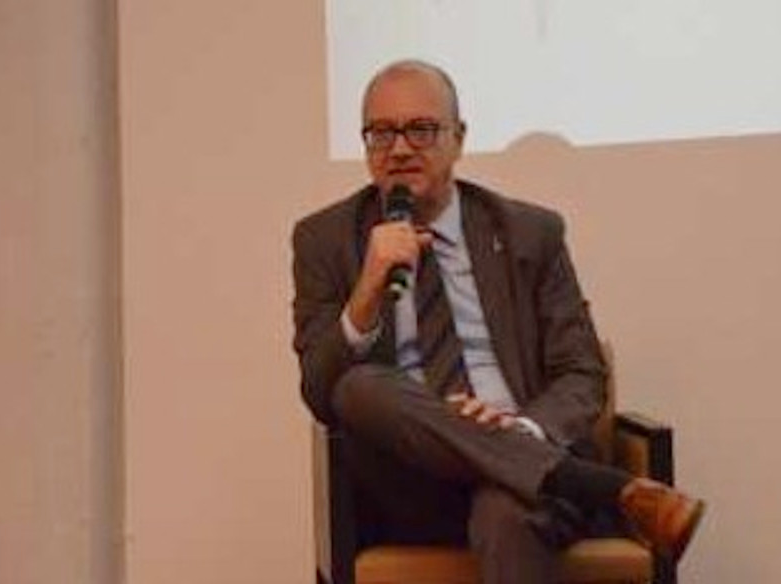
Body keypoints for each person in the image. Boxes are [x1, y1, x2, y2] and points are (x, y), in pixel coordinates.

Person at [292, 59, 704, 583]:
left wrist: (522, 429)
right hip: (413, 486)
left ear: (459, 139)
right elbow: (319, 391)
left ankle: (537, 469)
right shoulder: (326, 239)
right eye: (381, 133)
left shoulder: (529, 232)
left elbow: (582, 371)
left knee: (506, 508)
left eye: (421, 129)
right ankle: (593, 485)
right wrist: (365, 295)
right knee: (358, 387)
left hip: (523, 474)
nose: (398, 149)